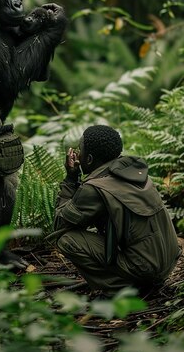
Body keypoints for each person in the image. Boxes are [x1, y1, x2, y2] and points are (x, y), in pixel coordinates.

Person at [54, 125, 181, 294]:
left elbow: (60, 225)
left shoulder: (95, 189)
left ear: (89, 159)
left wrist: (70, 179)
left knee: (67, 240)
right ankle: (139, 280)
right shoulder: (134, 172)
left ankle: (120, 290)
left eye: (80, 150)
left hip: (146, 269)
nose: (78, 154)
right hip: (167, 263)